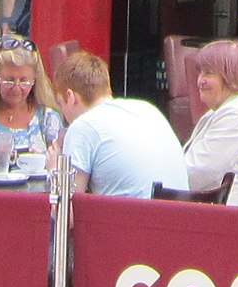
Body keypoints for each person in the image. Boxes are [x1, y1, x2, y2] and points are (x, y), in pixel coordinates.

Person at [57, 51, 189, 198]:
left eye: (60, 103)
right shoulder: (147, 109)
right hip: (181, 216)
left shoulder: (83, 126)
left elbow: (66, 212)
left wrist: (55, 172)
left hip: (137, 218)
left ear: (70, 97)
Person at [180, 38, 238, 205]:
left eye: (208, 73)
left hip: (226, 220)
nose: (200, 80)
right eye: (200, 72)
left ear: (230, 76)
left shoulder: (235, 115)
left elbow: (197, 174)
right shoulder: (216, 112)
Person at [0, 38, 62, 173]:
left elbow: (59, 168)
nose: (16, 88)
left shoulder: (48, 119)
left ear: (34, 80)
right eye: (9, 80)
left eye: (24, 81)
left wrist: (39, 162)